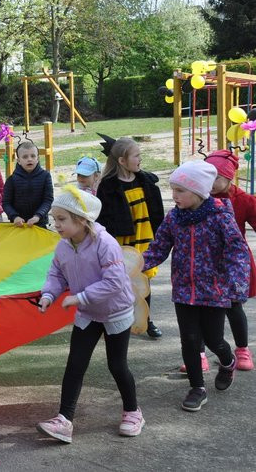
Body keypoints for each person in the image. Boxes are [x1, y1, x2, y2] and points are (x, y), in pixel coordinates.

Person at [36, 187, 142, 443]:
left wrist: (79, 297)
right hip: (88, 313)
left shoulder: (105, 244)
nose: (55, 224)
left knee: (117, 365)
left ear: (82, 220)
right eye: (54, 218)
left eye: (62, 219)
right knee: (75, 363)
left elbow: (115, 282)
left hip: (115, 311)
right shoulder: (63, 246)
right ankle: (64, 420)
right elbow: (56, 274)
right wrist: (49, 294)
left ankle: (132, 412)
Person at [142, 161, 251, 412]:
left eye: (180, 191)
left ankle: (227, 361)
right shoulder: (174, 218)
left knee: (214, 340)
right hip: (183, 289)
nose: (174, 196)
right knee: (189, 340)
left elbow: (237, 251)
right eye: (173, 190)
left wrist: (236, 282)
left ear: (199, 192)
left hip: (214, 290)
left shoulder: (220, 216)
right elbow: (159, 248)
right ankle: (197, 387)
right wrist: (138, 265)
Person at [186, 150, 256, 372]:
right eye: (208, 177)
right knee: (198, 310)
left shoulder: (243, 200)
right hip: (203, 264)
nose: (212, 183)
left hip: (232, 265)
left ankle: (242, 349)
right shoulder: (197, 198)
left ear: (230, 177)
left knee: (234, 307)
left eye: (217, 178)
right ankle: (198, 355)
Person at [95, 136, 164, 339]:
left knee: (144, 280)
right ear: (122, 161)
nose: (140, 159)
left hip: (144, 238)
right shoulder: (108, 186)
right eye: (136, 156)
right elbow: (103, 217)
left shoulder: (146, 181)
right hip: (121, 241)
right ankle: (116, 318)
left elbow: (156, 211)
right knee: (120, 281)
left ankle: (146, 320)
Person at [3, 140, 53, 228]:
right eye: (25, 157)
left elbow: (48, 200)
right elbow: (6, 203)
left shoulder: (46, 176)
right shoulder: (12, 179)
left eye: (33, 156)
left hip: (39, 223)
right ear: (18, 160)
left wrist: (38, 216)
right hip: (18, 224)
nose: (29, 159)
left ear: (37, 159)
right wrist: (14, 216)